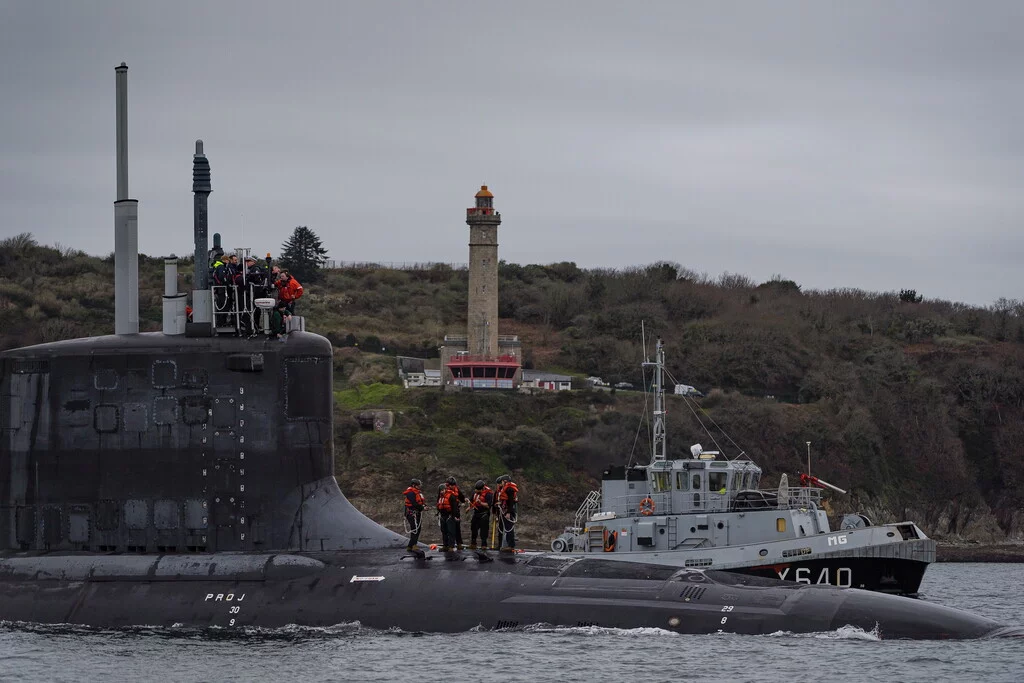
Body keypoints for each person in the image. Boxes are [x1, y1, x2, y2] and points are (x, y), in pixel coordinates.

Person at [496, 474, 519, 553]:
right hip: (504, 510)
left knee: (509, 528)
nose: (501, 483)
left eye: (502, 481)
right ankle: (504, 545)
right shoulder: (505, 489)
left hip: (508, 511)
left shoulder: (509, 489)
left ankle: (510, 545)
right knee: (504, 527)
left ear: (504, 481)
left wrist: (508, 512)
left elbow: (511, 501)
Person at [468, 480, 493, 550]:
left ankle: (484, 545)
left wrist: (481, 502)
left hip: (484, 514)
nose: (476, 491)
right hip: (476, 513)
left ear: (482, 489)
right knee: (473, 528)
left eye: (477, 490)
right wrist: (468, 507)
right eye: (475, 489)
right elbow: (471, 501)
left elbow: (488, 506)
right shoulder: (474, 493)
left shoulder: (488, 494)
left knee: (484, 530)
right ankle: (473, 543)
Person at [403, 479, 426, 551]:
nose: (420, 487)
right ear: (414, 485)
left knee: (417, 529)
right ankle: (413, 545)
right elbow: (414, 503)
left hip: (417, 513)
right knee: (414, 529)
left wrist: (424, 506)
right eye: (418, 485)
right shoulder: (410, 493)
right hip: (411, 513)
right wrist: (422, 508)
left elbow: (419, 502)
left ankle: (410, 546)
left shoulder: (418, 493)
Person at [436, 482, 459, 552]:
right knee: (444, 531)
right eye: (440, 490)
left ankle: (451, 546)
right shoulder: (439, 497)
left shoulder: (451, 496)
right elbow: (438, 505)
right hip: (443, 516)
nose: (442, 491)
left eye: (443, 490)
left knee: (451, 531)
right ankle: (445, 545)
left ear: (445, 489)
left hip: (449, 516)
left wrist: (453, 516)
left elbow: (454, 507)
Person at [445, 476, 467, 550]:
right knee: (450, 530)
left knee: (457, 528)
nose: (453, 486)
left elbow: (462, 497)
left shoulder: (456, 489)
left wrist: (464, 501)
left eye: (454, 485)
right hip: (448, 513)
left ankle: (459, 544)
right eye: (451, 485)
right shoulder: (444, 491)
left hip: (456, 511)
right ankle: (450, 545)